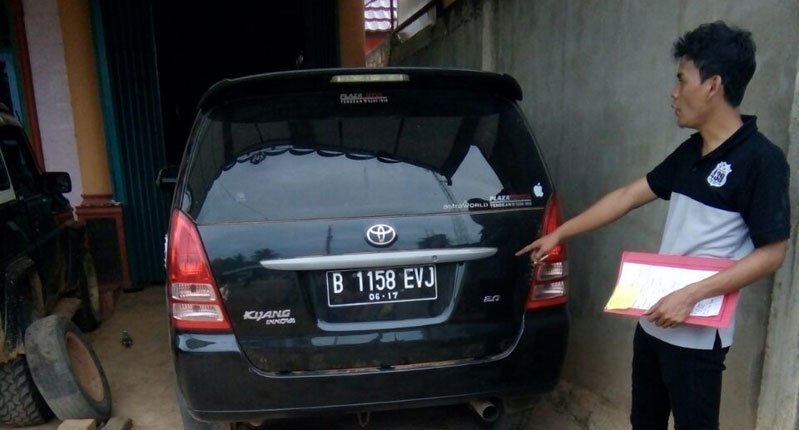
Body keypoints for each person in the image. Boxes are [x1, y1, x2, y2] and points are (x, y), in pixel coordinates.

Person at [515, 21, 790, 430]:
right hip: (654, 323)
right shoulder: (691, 152)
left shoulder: (761, 161)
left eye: (682, 80)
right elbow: (628, 196)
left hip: (698, 337)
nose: (673, 93)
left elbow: (773, 253)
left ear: (713, 85)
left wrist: (691, 295)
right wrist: (560, 232)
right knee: (644, 422)